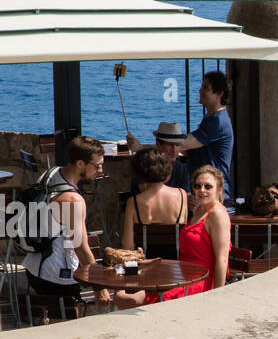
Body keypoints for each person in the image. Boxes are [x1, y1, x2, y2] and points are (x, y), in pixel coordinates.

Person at [115, 165, 231, 309]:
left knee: (125, 299)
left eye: (208, 187)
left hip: (199, 283)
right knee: (122, 295)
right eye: (197, 186)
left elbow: (222, 259)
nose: (201, 190)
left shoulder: (217, 214)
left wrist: (217, 295)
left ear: (219, 189)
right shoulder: (199, 210)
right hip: (182, 277)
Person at [22, 136, 111, 308]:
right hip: (57, 275)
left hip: (34, 266)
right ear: (80, 163)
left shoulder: (50, 174)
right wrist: (99, 287)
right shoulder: (72, 200)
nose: (100, 170)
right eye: (97, 165)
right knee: (67, 327)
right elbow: (81, 247)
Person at [128, 73, 234, 203]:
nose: (200, 90)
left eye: (206, 88)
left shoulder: (218, 122)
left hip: (213, 192)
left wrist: (141, 147)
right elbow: (189, 150)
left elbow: (181, 144)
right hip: (206, 189)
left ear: (219, 94)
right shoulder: (211, 119)